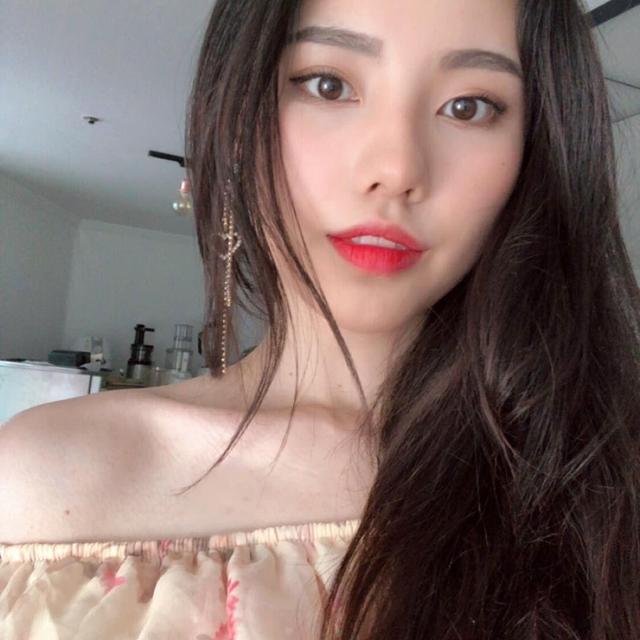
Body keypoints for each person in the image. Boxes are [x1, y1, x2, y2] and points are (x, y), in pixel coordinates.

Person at [1, 0, 639, 637]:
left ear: (535, 153)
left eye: (468, 106)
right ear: (239, 121)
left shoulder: (605, 484)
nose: (397, 170)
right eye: (329, 85)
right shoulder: (41, 481)